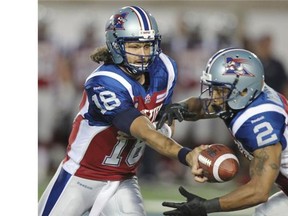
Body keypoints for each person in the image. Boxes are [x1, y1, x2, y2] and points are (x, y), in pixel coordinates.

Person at [38, 6, 203, 216]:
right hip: (80, 178)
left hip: (123, 180)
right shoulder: (104, 81)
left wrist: (165, 129)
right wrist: (186, 155)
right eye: (134, 46)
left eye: (147, 46)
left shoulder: (165, 68)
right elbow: (143, 130)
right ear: (116, 46)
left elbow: (165, 117)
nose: (143, 54)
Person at [157, 48, 288, 216]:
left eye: (220, 91)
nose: (215, 97)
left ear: (243, 90)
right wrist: (178, 108)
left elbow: (259, 190)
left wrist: (205, 207)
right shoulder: (247, 96)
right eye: (214, 89)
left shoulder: (259, 120)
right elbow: (204, 107)